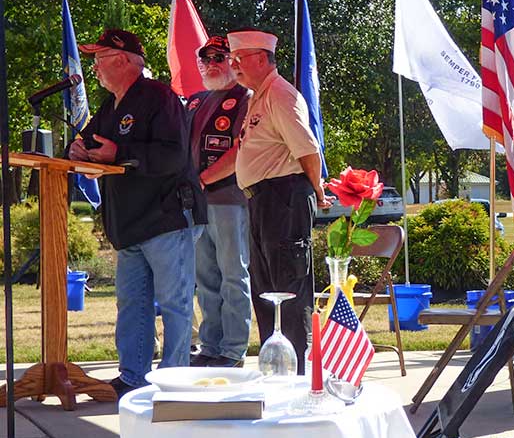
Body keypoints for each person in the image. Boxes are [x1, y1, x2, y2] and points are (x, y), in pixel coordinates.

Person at [67, 29, 206, 398]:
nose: (94, 67)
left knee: (174, 303)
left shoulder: (159, 96)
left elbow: (173, 156)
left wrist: (120, 153)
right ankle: (133, 378)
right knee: (131, 302)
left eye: (99, 58)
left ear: (124, 60)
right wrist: (78, 149)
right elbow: (92, 141)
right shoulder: (111, 105)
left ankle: (175, 380)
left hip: (166, 217)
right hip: (128, 223)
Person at [199, 28, 332, 374]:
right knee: (265, 290)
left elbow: (307, 149)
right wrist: (202, 179)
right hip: (261, 200)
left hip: (283, 197)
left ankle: (300, 377)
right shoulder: (259, 96)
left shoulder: (281, 95)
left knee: (287, 292)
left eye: (238, 59)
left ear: (261, 59)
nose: (233, 65)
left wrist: (317, 189)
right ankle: (278, 372)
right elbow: (245, 153)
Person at [186, 36, 252, 368]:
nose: (213, 63)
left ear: (234, 62)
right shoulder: (196, 101)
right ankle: (210, 345)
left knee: (232, 276)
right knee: (206, 278)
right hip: (197, 203)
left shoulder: (246, 98)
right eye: (206, 58)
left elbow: (241, 150)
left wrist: (201, 179)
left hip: (230, 200)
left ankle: (233, 350)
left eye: (220, 57)